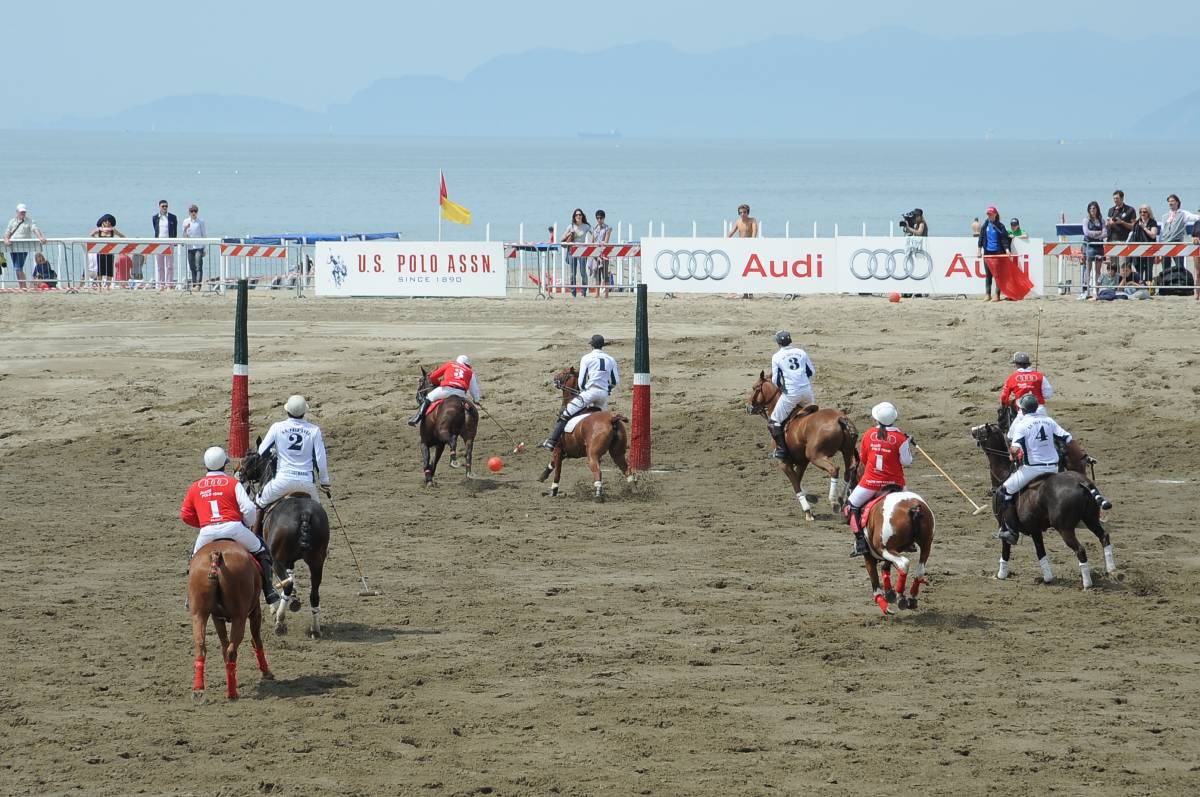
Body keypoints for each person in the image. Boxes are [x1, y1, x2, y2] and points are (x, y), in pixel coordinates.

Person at [180, 446, 280, 605]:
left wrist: (204, 523)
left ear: (206, 465)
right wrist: (246, 524)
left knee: (193, 559)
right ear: (224, 465)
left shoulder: (195, 486)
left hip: (207, 532)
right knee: (262, 549)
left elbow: (185, 515)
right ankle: (269, 590)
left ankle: (190, 596)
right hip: (234, 529)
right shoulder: (232, 482)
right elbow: (248, 509)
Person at [995, 394, 1073, 545]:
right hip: (1054, 468)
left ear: (1022, 410)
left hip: (1033, 469)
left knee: (1004, 491)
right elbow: (1067, 438)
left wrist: (1012, 453)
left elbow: (1016, 449)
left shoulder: (1022, 425)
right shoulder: (1049, 420)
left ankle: (1011, 531)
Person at [252, 395, 331, 536]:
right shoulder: (314, 430)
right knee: (320, 514)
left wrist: (275, 452)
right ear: (304, 412)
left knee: (258, 504)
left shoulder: (277, 427)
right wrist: (324, 482)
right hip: (306, 483)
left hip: (282, 482)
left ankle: (255, 544)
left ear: (287, 410)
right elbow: (320, 459)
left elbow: (262, 451)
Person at [844, 402, 913, 557]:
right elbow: (907, 462)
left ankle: (860, 541)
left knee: (850, 506)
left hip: (871, 483)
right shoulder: (900, 438)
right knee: (913, 508)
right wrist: (906, 443)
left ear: (876, 419)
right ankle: (910, 540)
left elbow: (863, 458)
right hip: (895, 483)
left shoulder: (869, 434)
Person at [541, 334, 619, 450]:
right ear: (602, 345)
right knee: (605, 421)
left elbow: (582, 382)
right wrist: (607, 389)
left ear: (591, 345)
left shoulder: (586, 358)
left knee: (566, 413)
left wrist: (584, 391)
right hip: (603, 396)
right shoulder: (611, 359)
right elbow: (614, 381)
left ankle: (552, 441)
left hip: (589, 393)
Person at [765, 330, 815, 460]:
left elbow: (775, 380)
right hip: (807, 392)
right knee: (813, 416)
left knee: (774, 420)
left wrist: (783, 389)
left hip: (792, 393)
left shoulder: (776, 357)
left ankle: (781, 450)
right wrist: (804, 383)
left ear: (778, 342)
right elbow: (812, 372)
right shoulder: (801, 352)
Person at [408, 354, 482, 426]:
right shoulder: (470, 372)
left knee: (428, 397)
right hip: (460, 393)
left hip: (446, 389)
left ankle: (416, 418)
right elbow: (474, 389)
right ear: (467, 364)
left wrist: (436, 383)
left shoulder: (450, 364)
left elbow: (433, 377)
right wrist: (476, 400)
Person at [4, 203, 47, 289]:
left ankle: (23, 287)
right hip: (13, 247)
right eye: (21, 212)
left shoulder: (29, 221)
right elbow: (7, 232)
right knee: (17, 268)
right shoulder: (12, 221)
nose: (23, 214)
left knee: (18, 267)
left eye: (24, 212)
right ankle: (22, 286)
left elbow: (35, 229)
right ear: (17, 212)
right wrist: (6, 240)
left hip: (24, 247)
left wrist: (40, 237)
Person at [1158, 194, 1200, 278]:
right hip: (1165, 244)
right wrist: (1160, 245)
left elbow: (1196, 217)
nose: (1170, 203)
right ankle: (1165, 285)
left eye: (1172, 201)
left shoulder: (1183, 214)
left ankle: (1181, 284)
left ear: (1177, 202)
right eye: (1169, 201)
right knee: (1165, 267)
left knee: (1179, 266)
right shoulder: (1165, 216)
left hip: (1177, 243)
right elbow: (1162, 231)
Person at [999, 351, 1052, 418]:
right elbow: (1048, 395)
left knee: (1013, 429)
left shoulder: (1012, 378)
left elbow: (1004, 397)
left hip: (1023, 412)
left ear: (1017, 364)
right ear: (1028, 364)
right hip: (1040, 410)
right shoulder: (1040, 376)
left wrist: (1004, 405)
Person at [977, 206, 1012, 301]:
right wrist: (979, 250)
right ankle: (987, 294)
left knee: (998, 275)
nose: (989, 215)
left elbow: (1004, 239)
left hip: (998, 253)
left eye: (991, 214)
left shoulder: (1000, 226)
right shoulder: (985, 225)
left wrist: (1007, 250)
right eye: (988, 214)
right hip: (987, 253)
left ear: (995, 214)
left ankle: (997, 295)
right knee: (988, 275)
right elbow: (981, 238)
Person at [728, 204, 759, 298]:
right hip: (740, 249)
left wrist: (751, 246)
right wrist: (724, 241)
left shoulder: (752, 221)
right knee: (742, 271)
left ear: (747, 212)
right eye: (740, 212)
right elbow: (731, 233)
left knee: (750, 271)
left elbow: (754, 234)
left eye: (744, 212)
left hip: (750, 248)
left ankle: (751, 293)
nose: (742, 214)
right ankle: (745, 293)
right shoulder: (738, 222)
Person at [1079, 201, 1107, 300]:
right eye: (1091, 209)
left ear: (1097, 209)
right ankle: (1086, 290)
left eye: (1094, 208)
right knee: (1088, 269)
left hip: (1099, 246)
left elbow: (1105, 233)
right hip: (1089, 246)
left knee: (1098, 270)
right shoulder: (1086, 220)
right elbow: (1086, 232)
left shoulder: (1101, 220)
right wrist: (1097, 234)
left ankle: (1097, 290)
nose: (1092, 210)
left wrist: (1097, 235)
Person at [90, 214, 125, 290]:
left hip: (110, 252)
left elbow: (122, 236)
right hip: (100, 252)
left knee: (109, 270)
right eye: (106, 221)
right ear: (103, 222)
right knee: (100, 270)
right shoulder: (99, 230)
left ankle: (108, 287)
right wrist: (97, 241)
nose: (108, 223)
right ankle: (99, 286)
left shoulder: (113, 230)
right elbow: (91, 234)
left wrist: (116, 243)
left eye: (109, 221)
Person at [561, 209, 591, 298]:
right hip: (572, 250)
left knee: (583, 272)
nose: (578, 216)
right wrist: (569, 233)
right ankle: (573, 292)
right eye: (576, 215)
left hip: (582, 251)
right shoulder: (571, 226)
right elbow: (562, 238)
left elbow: (594, 234)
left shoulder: (586, 226)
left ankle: (584, 291)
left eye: (580, 214)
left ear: (582, 216)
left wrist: (595, 243)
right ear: (574, 217)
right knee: (572, 273)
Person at [1106, 190, 1136, 271]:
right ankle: (1116, 283)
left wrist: (1122, 222)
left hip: (1124, 241)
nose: (1115, 200)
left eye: (1117, 198)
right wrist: (1110, 223)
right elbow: (1108, 223)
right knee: (1113, 267)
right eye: (1114, 198)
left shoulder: (1130, 210)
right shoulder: (1111, 210)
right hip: (1112, 241)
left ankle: (1123, 282)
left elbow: (1133, 226)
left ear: (1122, 198)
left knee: (1123, 266)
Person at [151, 199, 177, 291]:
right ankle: (161, 284)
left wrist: (174, 242)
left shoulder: (172, 217)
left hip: (169, 243)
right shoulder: (155, 217)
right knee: (160, 265)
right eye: (163, 206)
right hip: (159, 243)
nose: (165, 208)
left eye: (166, 206)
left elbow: (175, 230)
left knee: (169, 265)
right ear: (159, 207)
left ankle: (169, 284)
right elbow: (155, 229)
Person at [1128, 205, 1158, 282]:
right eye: (1140, 212)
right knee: (1138, 269)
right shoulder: (1137, 222)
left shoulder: (1152, 222)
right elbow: (1133, 235)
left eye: (1144, 212)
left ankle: (1149, 288)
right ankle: (1140, 286)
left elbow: (1153, 235)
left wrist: (1144, 227)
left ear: (1148, 213)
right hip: (1138, 249)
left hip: (1149, 249)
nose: (1142, 213)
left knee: (1148, 269)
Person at [587, 209, 613, 298]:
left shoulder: (607, 228)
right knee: (596, 273)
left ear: (604, 218)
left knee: (605, 274)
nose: (599, 219)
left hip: (604, 253)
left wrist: (600, 250)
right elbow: (592, 241)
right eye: (597, 218)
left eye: (601, 218)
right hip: (595, 253)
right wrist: (594, 253)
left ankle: (606, 294)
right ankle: (597, 293)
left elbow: (606, 241)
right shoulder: (595, 229)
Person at [183, 204, 207, 290]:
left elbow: (204, 235)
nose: (193, 213)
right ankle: (194, 284)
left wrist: (204, 249)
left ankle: (198, 285)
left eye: (195, 211)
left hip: (199, 247)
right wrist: (185, 229)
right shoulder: (186, 221)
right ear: (189, 212)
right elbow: (184, 236)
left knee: (198, 266)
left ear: (197, 212)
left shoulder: (200, 221)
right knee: (192, 266)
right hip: (190, 247)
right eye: (192, 211)